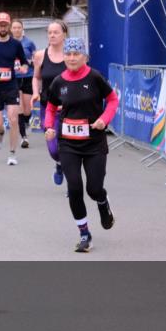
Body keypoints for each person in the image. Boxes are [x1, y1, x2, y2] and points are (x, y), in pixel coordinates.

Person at [43, 37, 118, 253]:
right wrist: (49, 126)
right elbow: (50, 107)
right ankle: (84, 234)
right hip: (68, 144)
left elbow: (113, 100)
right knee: (74, 188)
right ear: (64, 56)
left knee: (93, 189)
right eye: (68, 54)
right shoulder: (59, 81)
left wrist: (104, 119)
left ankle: (103, 202)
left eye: (76, 54)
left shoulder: (94, 77)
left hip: (94, 142)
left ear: (85, 56)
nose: (72, 58)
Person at [0, 12, 28, 165]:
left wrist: (23, 68)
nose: (3, 27)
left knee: (13, 119)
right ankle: (0, 133)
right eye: (0, 24)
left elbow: (24, 62)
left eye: (5, 24)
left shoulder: (16, 44)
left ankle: (12, 153)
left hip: (11, 86)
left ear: (8, 25)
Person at [33, 20, 69, 186]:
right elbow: (36, 77)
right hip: (48, 107)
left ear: (64, 35)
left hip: (69, 108)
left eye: (56, 32)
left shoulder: (72, 55)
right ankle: (59, 164)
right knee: (54, 149)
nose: (52, 35)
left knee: (68, 146)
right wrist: (35, 92)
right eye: (49, 32)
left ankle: (72, 182)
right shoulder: (40, 55)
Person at [11, 19, 37, 148]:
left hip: (27, 77)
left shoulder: (29, 43)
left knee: (27, 111)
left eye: (18, 27)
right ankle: (23, 137)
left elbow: (35, 60)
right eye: (14, 28)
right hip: (14, 79)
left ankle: (26, 123)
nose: (16, 30)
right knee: (19, 108)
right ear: (11, 30)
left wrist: (27, 63)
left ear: (22, 29)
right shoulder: (8, 43)